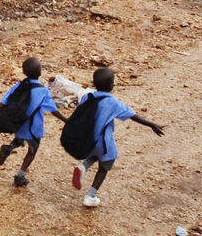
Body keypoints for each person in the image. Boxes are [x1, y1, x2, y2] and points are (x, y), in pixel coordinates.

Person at [68, 67, 163, 209]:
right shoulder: (112, 103)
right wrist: (151, 124)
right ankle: (90, 196)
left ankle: (84, 166)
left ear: (93, 83)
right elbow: (132, 116)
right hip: (104, 141)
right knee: (105, 165)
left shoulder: (87, 97)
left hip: (88, 139)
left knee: (96, 154)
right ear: (112, 86)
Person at [0, 56, 53, 187]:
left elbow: (4, 101)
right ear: (40, 72)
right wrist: (67, 120)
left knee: (20, 137)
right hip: (34, 126)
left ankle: (10, 147)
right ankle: (20, 176)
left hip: (19, 122)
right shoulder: (43, 90)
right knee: (33, 150)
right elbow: (54, 110)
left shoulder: (19, 85)